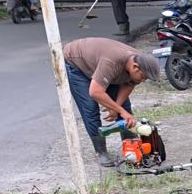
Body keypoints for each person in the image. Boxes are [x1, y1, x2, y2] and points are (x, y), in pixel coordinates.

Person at [62, 37, 159, 166]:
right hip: (77, 64)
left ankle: (130, 147)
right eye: (143, 77)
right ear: (135, 68)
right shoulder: (112, 62)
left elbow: (129, 84)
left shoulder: (139, 62)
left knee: (124, 106)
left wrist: (116, 107)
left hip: (102, 67)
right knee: (90, 108)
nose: (143, 81)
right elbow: (95, 91)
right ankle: (101, 152)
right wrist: (120, 111)